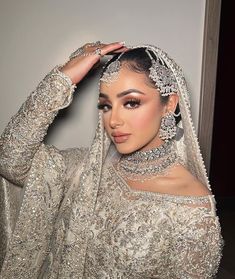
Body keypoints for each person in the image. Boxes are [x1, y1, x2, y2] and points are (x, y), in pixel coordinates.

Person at [0, 42, 223, 278]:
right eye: (106, 105)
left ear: (169, 104)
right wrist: (64, 77)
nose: (113, 120)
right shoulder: (85, 170)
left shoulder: (193, 211)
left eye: (131, 102)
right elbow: (10, 159)